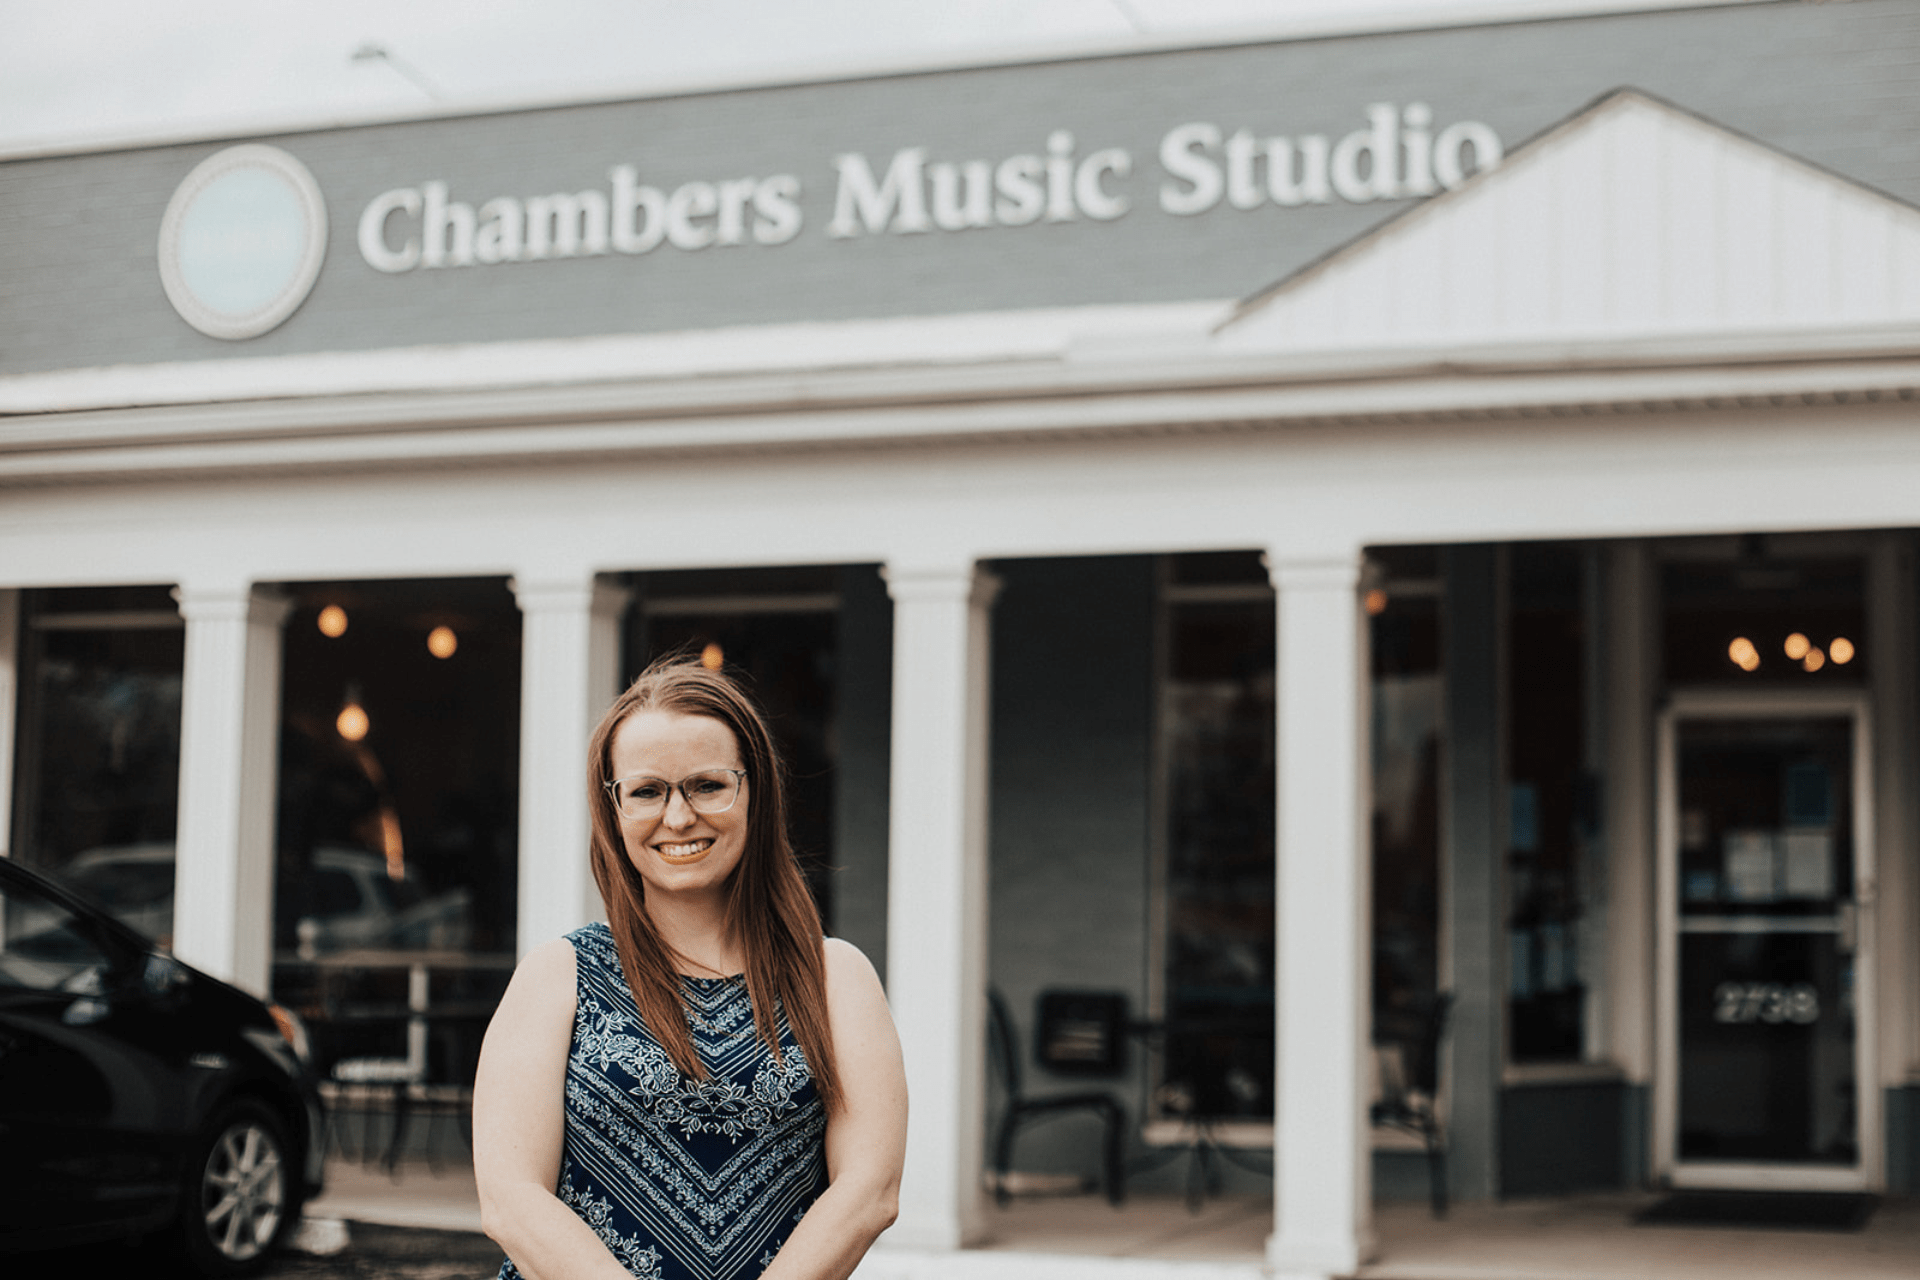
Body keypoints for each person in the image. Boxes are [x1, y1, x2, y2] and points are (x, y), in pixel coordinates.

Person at [473, 658, 907, 1280]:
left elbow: (869, 1194)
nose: (678, 818)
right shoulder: (556, 976)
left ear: (754, 790)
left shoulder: (836, 977)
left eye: (707, 785)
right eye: (648, 791)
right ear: (614, 808)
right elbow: (511, 1203)